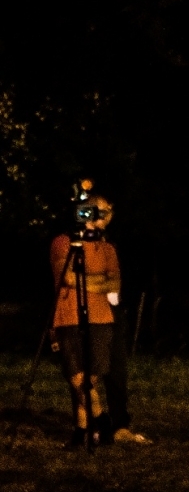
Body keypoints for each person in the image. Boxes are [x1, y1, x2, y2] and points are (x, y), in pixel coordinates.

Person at [50, 192, 121, 451]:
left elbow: (114, 286)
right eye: (98, 211)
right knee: (77, 378)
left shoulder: (108, 248)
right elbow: (67, 278)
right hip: (68, 315)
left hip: (101, 317)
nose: (103, 218)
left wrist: (87, 283)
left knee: (90, 379)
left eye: (107, 212)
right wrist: (98, 283)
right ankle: (101, 420)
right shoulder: (64, 242)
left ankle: (82, 431)